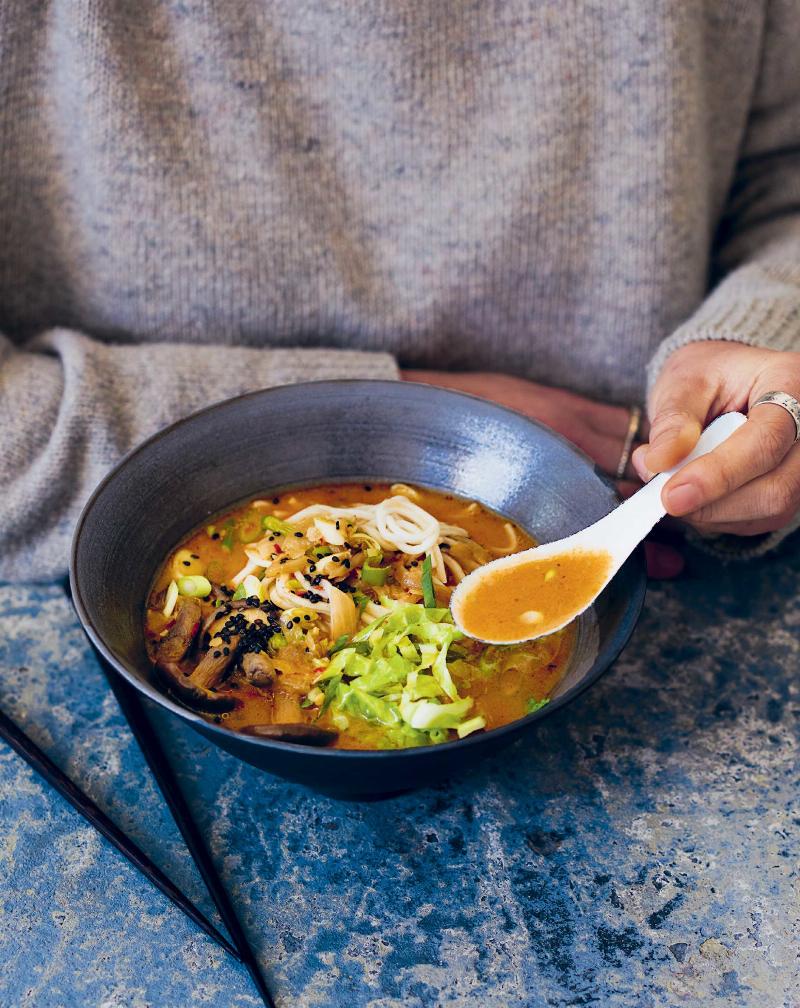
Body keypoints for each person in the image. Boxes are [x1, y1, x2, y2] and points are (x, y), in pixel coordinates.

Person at [1, 1, 798, 581]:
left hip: (674, 543)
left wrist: (770, 337)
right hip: (94, 593)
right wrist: (389, 413)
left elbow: (784, 172)